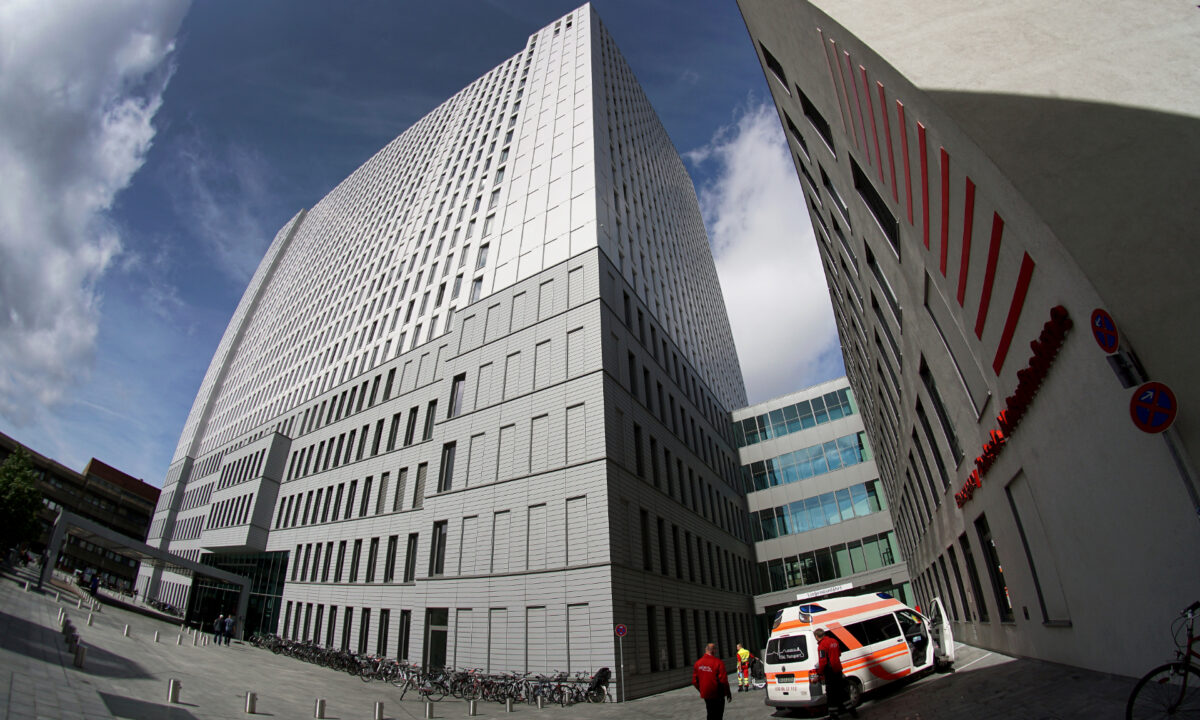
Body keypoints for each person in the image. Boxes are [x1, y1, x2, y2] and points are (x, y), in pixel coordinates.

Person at [814, 628, 857, 718]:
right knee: (843, 693)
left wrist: (819, 674)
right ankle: (853, 712)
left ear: (817, 636)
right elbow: (839, 654)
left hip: (830, 673)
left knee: (831, 695)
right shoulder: (834, 641)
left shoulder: (822, 645)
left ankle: (834, 716)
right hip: (838, 670)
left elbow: (823, 662)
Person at [692, 642, 732, 720]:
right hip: (718, 694)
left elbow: (694, 681)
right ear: (714, 650)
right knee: (718, 715)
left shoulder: (698, 663)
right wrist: (728, 693)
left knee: (710, 713)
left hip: (706, 694)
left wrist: (701, 690)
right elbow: (723, 680)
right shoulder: (718, 662)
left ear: (706, 650)